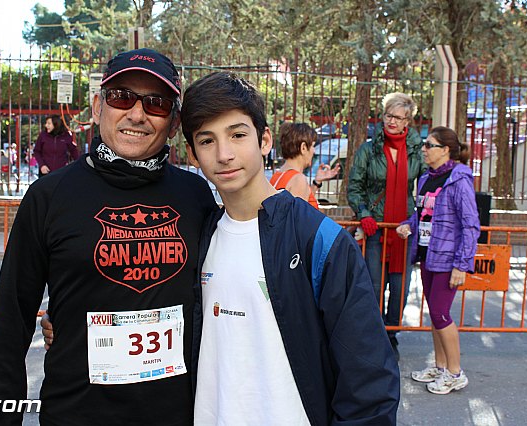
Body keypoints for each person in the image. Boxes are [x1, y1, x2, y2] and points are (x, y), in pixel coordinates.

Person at [0, 48, 219, 425]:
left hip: (176, 413)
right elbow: (11, 324)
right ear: (97, 107)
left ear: (173, 123)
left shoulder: (197, 196)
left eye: (156, 103)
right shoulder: (49, 197)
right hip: (76, 412)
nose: (137, 114)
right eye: (121, 97)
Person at [182, 72, 399, 424]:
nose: (224, 154)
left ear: (264, 139)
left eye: (237, 135)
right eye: (207, 141)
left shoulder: (320, 241)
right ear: (192, 154)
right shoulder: (198, 237)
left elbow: (368, 381)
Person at [396, 126, 480, 395]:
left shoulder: (459, 180)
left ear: (445, 150)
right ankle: (441, 366)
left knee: (442, 315)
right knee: (435, 314)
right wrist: (408, 225)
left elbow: (470, 226)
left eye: (429, 145)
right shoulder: (425, 179)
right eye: (424, 144)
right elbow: (423, 214)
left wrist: (461, 264)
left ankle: (456, 372)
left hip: (448, 259)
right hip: (427, 255)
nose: (424, 149)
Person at [347, 92, 426, 360]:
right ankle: (376, 336)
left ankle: (391, 335)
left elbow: (425, 190)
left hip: (403, 230)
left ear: (408, 122)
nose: (392, 121)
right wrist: (364, 214)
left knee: (400, 288)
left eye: (398, 117)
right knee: (373, 286)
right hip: (375, 229)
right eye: (388, 115)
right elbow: (355, 188)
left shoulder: (417, 152)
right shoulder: (369, 150)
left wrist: (414, 218)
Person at [270, 122, 340, 209]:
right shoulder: (298, 179)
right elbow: (299, 219)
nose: (314, 151)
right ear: (303, 148)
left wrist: (316, 183)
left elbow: (305, 204)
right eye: (313, 146)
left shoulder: (277, 176)